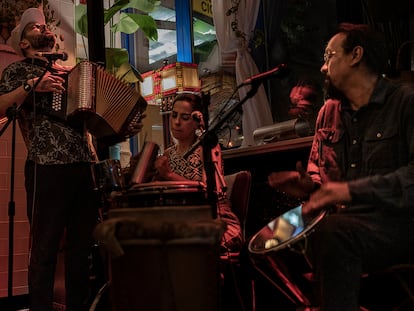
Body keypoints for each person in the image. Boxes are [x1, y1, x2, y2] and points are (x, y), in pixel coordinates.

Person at [0, 7, 143, 311]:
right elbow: (0, 107)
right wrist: (31, 86)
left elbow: (96, 126)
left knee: (82, 250)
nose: (44, 29)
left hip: (84, 166)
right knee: (45, 248)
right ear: (24, 43)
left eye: (44, 25)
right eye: (35, 27)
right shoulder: (18, 71)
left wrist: (122, 127)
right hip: (46, 168)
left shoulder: (74, 74)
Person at [267, 23, 414, 310]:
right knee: (268, 241)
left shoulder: (405, 102)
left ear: (356, 55)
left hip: (395, 225)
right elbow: (317, 170)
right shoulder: (328, 113)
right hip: (338, 221)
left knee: (334, 233)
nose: (323, 68)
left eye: (329, 56)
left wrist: (349, 191)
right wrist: (310, 187)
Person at [153, 92, 242, 255]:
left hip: (215, 218)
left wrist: (169, 176)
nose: (177, 122)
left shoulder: (207, 147)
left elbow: (209, 192)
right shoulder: (167, 154)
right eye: (174, 115)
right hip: (183, 219)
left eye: (185, 117)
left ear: (197, 121)